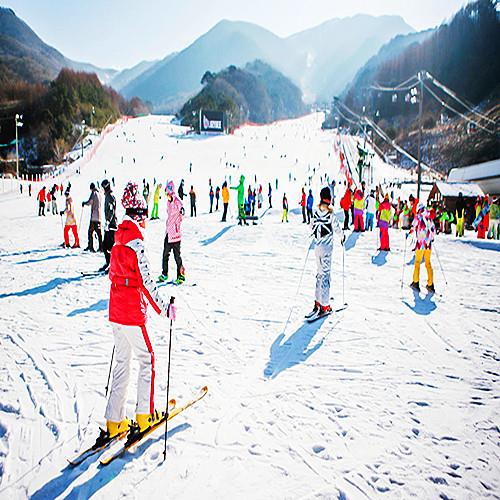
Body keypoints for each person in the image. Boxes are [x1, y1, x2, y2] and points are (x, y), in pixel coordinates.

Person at [104, 181, 177, 439]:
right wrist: (164, 308)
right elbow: (146, 281)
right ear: (138, 217)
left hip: (116, 312)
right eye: (144, 217)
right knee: (147, 359)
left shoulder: (117, 241)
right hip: (132, 313)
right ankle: (144, 416)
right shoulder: (136, 243)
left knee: (123, 361)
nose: (146, 222)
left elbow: (115, 275)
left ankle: (115, 421)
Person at [306, 187, 343, 320]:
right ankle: (325, 305)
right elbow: (338, 229)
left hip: (317, 247)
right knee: (326, 275)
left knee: (319, 274)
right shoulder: (331, 214)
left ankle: (317, 302)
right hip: (327, 248)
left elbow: (310, 226)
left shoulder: (316, 213)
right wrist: (342, 237)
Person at [159, 181, 185, 284]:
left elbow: (182, 212)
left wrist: (180, 217)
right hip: (169, 233)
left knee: (177, 257)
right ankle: (164, 274)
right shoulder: (168, 203)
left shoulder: (177, 202)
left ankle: (181, 276)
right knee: (165, 255)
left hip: (176, 234)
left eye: (167, 193)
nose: (166, 195)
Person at [409, 202, 436, 293]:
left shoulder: (418, 217)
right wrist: (431, 238)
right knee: (428, 263)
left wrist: (409, 233)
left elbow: (413, 226)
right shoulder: (429, 218)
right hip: (428, 244)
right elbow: (433, 230)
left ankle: (416, 282)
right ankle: (430, 284)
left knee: (417, 262)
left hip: (420, 244)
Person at [101, 179, 117, 273]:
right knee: (105, 245)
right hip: (109, 225)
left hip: (112, 226)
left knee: (109, 246)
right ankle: (108, 263)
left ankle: (112, 265)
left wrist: (108, 221)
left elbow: (111, 210)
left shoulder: (110, 197)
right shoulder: (108, 196)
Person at [82, 182, 103, 252]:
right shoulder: (99, 193)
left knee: (90, 232)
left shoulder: (93, 193)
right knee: (99, 233)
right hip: (99, 215)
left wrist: (84, 203)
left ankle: (91, 246)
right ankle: (101, 247)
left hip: (94, 216)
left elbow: (90, 202)